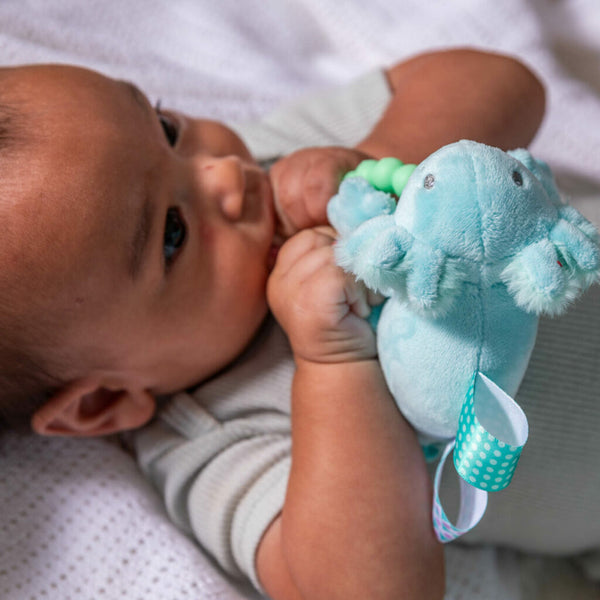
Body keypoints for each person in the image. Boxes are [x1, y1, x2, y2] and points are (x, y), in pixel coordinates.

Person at [2, 46, 594, 600]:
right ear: (103, 401)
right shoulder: (213, 440)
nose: (224, 175)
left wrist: (377, 160)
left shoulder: (280, 168)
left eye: (165, 128)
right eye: (172, 234)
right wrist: (331, 364)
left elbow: (503, 80)